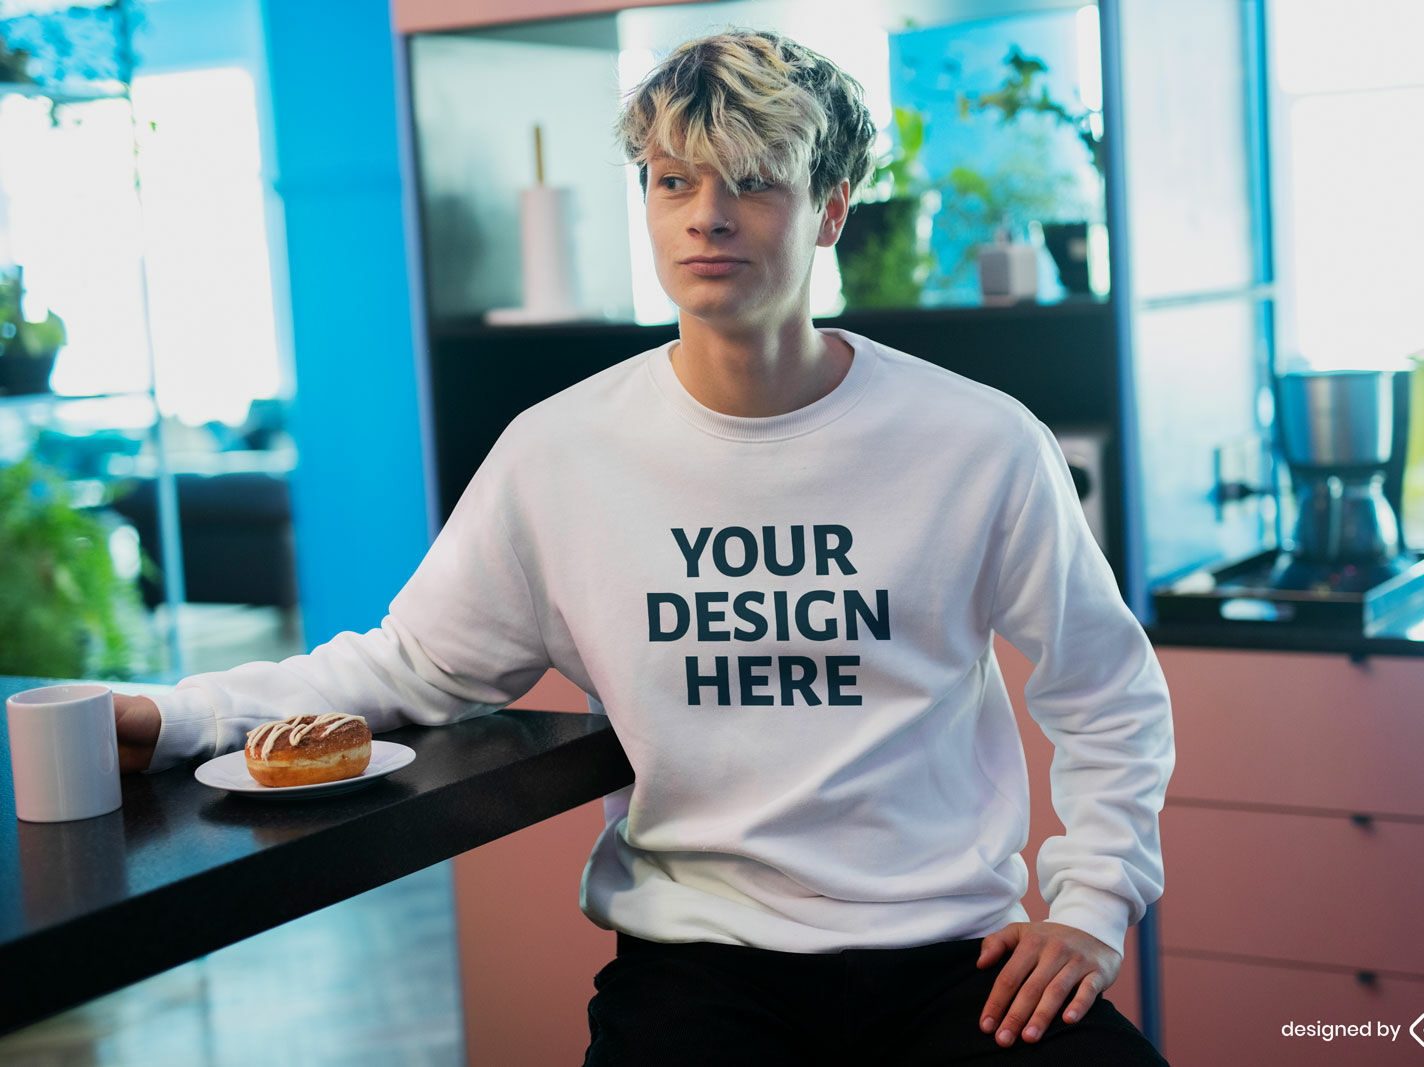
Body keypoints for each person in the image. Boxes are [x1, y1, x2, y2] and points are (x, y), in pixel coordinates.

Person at [115, 30, 1174, 1066]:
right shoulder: (560, 451)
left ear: (830, 211)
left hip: (949, 953)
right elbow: (408, 666)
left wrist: (1090, 904)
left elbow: (1105, 687)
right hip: (698, 964)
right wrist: (174, 716)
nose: (707, 216)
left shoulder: (977, 440)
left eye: (752, 181)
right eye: (672, 182)